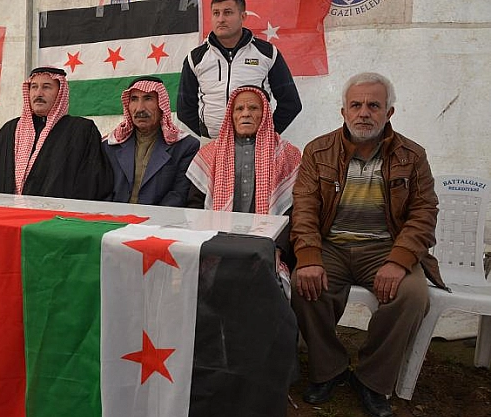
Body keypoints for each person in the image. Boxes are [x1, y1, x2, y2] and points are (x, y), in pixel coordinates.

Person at [290, 72, 445, 417]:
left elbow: (424, 212)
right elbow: (304, 208)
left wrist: (399, 260)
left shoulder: (412, 155)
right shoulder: (317, 151)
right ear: (343, 111)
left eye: (373, 105)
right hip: (331, 245)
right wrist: (310, 256)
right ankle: (329, 370)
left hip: (385, 248)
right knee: (303, 284)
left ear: (389, 112)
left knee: (412, 296)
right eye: (356, 105)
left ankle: (372, 380)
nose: (364, 113)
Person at [187, 85, 301, 273]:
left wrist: (278, 248)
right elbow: (195, 205)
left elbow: (293, 209)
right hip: (216, 245)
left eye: (253, 108)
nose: (245, 113)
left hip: (266, 245)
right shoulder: (209, 153)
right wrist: (200, 243)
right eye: (239, 109)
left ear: (265, 114)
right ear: (231, 115)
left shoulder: (287, 154)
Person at [0, 67, 113, 200]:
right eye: (34, 87)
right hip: (8, 213)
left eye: (46, 87)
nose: (38, 93)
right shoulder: (10, 130)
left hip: (56, 215)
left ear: (60, 93)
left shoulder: (81, 130)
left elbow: (92, 183)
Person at [177, 0, 301, 139]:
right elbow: (184, 109)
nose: (221, 19)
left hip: (257, 143)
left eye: (227, 12)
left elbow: (291, 103)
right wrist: (208, 133)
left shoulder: (267, 53)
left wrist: (266, 135)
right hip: (213, 143)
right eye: (216, 13)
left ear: (243, 16)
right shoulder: (196, 58)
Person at [102, 76, 199, 207]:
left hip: (159, 218)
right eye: (134, 99)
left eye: (148, 99)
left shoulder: (185, 146)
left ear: (161, 105)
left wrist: (149, 218)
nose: (140, 108)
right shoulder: (111, 144)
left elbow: (178, 194)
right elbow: (102, 191)